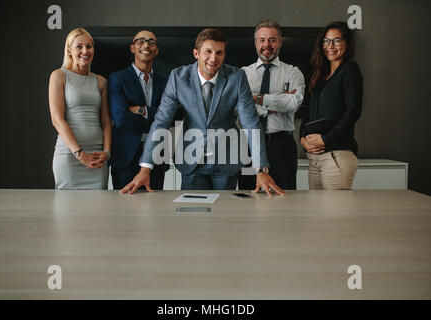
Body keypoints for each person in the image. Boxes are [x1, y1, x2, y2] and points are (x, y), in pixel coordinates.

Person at [121, 28, 284, 196]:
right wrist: (145, 168)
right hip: (192, 162)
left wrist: (260, 169)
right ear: (196, 53)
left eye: (219, 53)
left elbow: (250, 123)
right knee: (193, 217)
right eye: (208, 52)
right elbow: (161, 121)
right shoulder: (178, 77)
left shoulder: (237, 77)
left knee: (223, 217)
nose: (213, 58)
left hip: (227, 162)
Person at [239, 19, 305, 190]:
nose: (266, 45)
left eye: (272, 40)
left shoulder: (293, 72)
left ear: (280, 42)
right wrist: (280, 100)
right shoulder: (243, 74)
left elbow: (294, 102)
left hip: (282, 145)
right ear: (255, 43)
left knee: (285, 196)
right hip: (249, 146)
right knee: (249, 194)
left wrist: (256, 99)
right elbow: (237, 107)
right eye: (262, 40)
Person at [299, 21, 363, 189]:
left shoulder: (350, 70)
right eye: (326, 41)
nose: (331, 46)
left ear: (347, 43)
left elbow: (353, 111)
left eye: (337, 40)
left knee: (335, 214)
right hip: (315, 158)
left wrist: (325, 139)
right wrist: (303, 139)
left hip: (337, 156)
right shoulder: (320, 75)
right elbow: (307, 113)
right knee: (316, 214)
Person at [49, 28, 112, 189]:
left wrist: (106, 151)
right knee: (67, 211)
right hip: (70, 157)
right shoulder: (59, 76)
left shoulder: (101, 81)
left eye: (89, 46)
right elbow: (57, 120)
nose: (85, 51)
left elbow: (106, 121)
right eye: (79, 46)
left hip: (97, 159)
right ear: (69, 50)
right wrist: (79, 154)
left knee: (98, 211)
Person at [108, 30, 168, 190]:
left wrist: (142, 110)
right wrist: (157, 118)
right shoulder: (117, 78)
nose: (146, 45)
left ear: (156, 50)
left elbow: (172, 115)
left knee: (154, 209)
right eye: (140, 41)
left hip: (156, 156)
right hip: (125, 155)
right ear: (132, 48)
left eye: (151, 42)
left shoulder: (166, 81)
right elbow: (121, 118)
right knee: (124, 210)